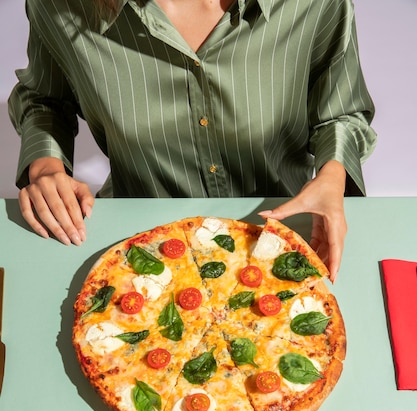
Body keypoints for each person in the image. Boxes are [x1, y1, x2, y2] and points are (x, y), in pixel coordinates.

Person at [8, 0, 376, 282]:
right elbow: (44, 98)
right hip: (134, 246)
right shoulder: (60, 7)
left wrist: (332, 175)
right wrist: (46, 167)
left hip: (284, 233)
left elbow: (341, 113)